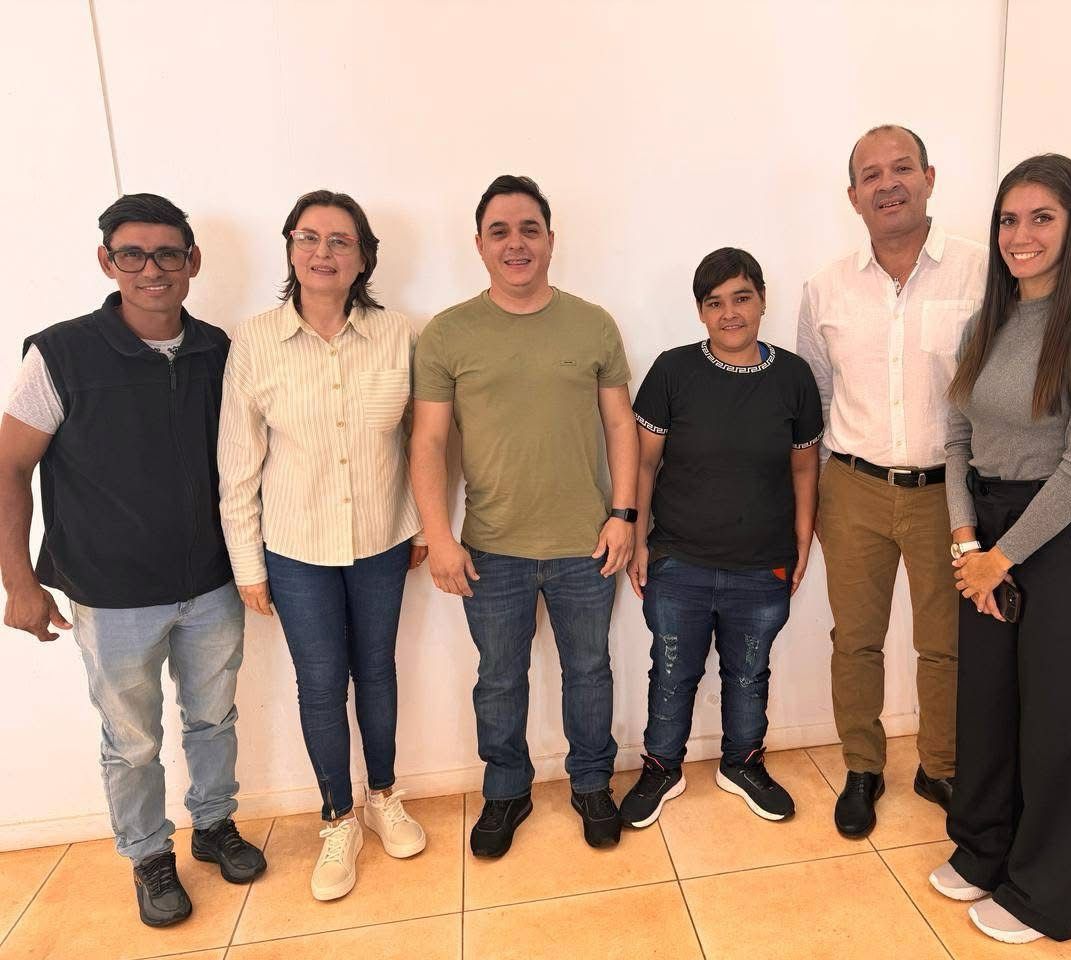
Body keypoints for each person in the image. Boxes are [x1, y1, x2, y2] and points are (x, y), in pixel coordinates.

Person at [0, 194, 265, 927]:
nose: (153, 269)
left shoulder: (217, 350)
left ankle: (214, 824)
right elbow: (9, 467)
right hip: (111, 594)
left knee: (213, 717)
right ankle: (149, 855)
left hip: (211, 584)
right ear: (106, 262)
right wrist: (19, 582)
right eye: (132, 255)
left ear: (192, 261)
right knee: (133, 740)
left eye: (168, 253)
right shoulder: (60, 355)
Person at [928, 154, 1071, 945]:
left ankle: (1048, 897)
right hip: (984, 535)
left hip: (1062, 544)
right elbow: (956, 441)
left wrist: (1001, 558)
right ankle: (985, 851)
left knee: (1057, 729)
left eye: (1041, 217)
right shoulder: (985, 325)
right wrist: (967, 543)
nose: (1021, 235)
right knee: (987, 713)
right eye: (1009, 219)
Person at [410, 175, 638, 858]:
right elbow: (427, 443)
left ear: (550, 240)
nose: (516, 244)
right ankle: (506, 790)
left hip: (586, 544)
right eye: (500, 231)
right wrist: (439, 538)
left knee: (589, 671)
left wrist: (624, 515)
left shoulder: (593, 325)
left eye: (529, 229)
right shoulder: (448, 333)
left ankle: (592, 784)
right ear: (479, 244)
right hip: (490, 547)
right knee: (500, 679)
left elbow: (620, 425)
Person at [218, 190, 427, 902]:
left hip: (382, 540)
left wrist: (422, 524)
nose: (323, 252)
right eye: (308, 238)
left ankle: (384, 796)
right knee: (319, 684)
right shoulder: (254, 342)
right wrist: (248, 565)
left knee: (377, 671)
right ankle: (338, 818)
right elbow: (237, 464)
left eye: (341, 241)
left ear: (363, 257)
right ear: (289, 250)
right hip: (295, 549)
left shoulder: (397, 334)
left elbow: (423, 442)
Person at [796, 124, 987, 838]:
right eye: (871, 175)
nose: (888, 184)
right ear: (853, 196)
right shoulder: (824, 289)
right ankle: (862, 767)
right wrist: (816, 500)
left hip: (949, 492)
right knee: (856, 639)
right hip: (854, 488)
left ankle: (941, 766)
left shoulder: (980, 272)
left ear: (929, 178)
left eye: (902, 168)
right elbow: (815, 403)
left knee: (947, 642)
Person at [620, 248, 822, 827]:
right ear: (700, 312)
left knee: (749, 673)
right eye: (715, 303)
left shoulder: (793, 376)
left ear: (762, 300)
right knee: (672, 672)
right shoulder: (673, 371)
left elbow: (804, 467)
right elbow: (643, 464)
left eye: (741, 298)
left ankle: (742, 764)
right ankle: (662, 768)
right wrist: (637, 538)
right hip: (678, 561)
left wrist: (803, 539)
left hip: (762, 564)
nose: (730, 313)